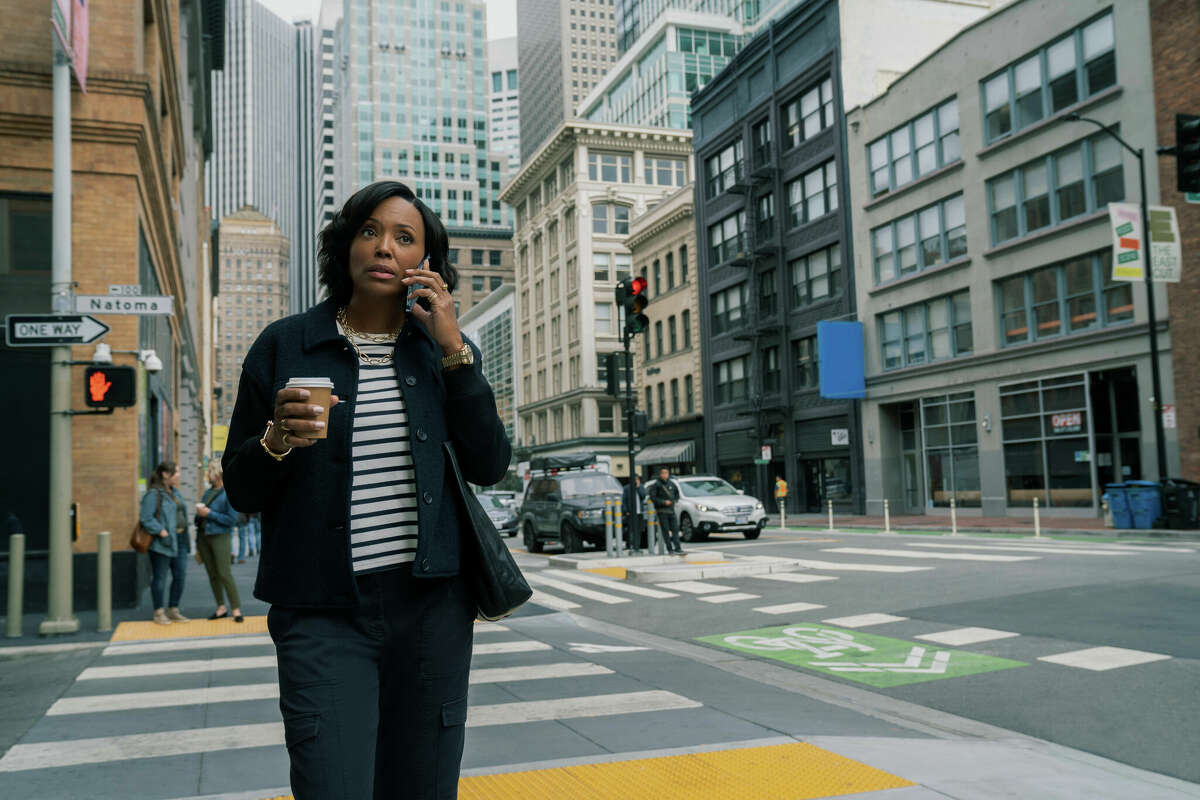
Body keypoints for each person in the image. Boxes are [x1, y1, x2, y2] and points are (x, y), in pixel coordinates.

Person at [222, 180, 510, 800]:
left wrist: (455, 348)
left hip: (432, 611)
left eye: (405, 238)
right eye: (370, 231)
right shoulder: (285, 344)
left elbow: (490, 464)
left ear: (425, 265)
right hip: (323, 614)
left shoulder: (443, 355)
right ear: (346, 247)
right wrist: (275, 439)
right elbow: (241, 489)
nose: (384, 247)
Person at [139, 461, 190, 624]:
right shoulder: (154, 494)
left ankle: (173, 609)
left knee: (180, 576)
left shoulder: (175, 492)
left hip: (180, 540)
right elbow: (146, 518)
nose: (179, 475)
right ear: (165, 474)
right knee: (160, 577)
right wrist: (162, 531)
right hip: (163, 542)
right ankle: (159, 612)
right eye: (176, 472)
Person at [195, 464, 244, 622]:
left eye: (210, 471)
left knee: (224, 573)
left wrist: (209, 514)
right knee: (213, 575)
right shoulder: (208, 492)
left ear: (217, 473)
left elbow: (231, 520)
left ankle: (236, 609)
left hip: (220, 536)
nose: (208, 474)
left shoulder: (228, 493)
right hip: (203, 536)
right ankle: (221, 607)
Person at [648, 467, 683, 554]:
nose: (665, 475)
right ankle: (670, 549)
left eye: (666, 473)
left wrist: (674, 501)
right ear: (660, 474)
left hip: (671, 510)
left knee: (675, 530)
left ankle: (678, 548)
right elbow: (653, 497)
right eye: (663, 473)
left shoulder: (671, 483)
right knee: (666, 531)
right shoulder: (656, 485)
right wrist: (663, 502)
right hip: (662, 511)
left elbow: (677, 494)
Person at [623, 474, 646, 550]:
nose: (635, 481)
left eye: (637, 479)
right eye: (634, 479)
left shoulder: (641, 487)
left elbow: (643, 496)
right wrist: (626, 511)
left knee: (639, 530)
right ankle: (629, 545)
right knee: (630, 530)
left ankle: (637, 545)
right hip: (631, 512)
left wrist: (638, 487)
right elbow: (624, 500)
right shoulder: (627, 488)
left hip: (639, 512)